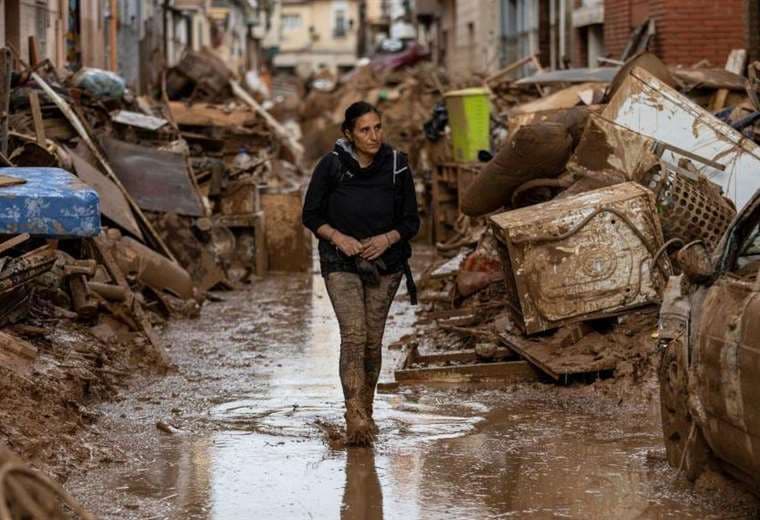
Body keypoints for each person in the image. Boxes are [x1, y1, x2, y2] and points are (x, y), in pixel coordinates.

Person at [302, 101, 420, 446]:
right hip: (341, 262)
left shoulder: (397, 165)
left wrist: (386, 239)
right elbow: (311, 215)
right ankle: (354, 415)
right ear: (349, 134)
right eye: (365, 130)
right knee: (354, 335)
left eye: (378, 127)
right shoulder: (332, 166)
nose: (374, 136)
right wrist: (340, 238)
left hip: (387, 264)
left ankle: (365, 412)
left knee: (372, 340)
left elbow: (411, 221)